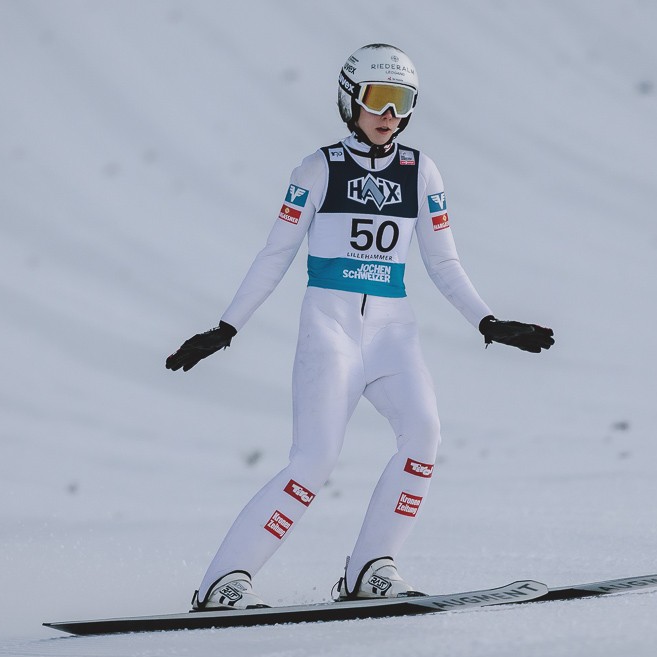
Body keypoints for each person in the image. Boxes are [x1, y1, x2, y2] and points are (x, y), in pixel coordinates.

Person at [166, 43, 554, 610]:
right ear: (351, 100)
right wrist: (227, 328)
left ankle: (372, 567)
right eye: (378, 99)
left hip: (393, 333)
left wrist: (488, 322)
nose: (389, 115)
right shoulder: (318, 168)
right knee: (314, 460)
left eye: (402, 102)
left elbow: (443, 262)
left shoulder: (421, 171)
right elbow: (275, 254)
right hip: (331, 329)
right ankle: (223, 583)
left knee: (424, 435)